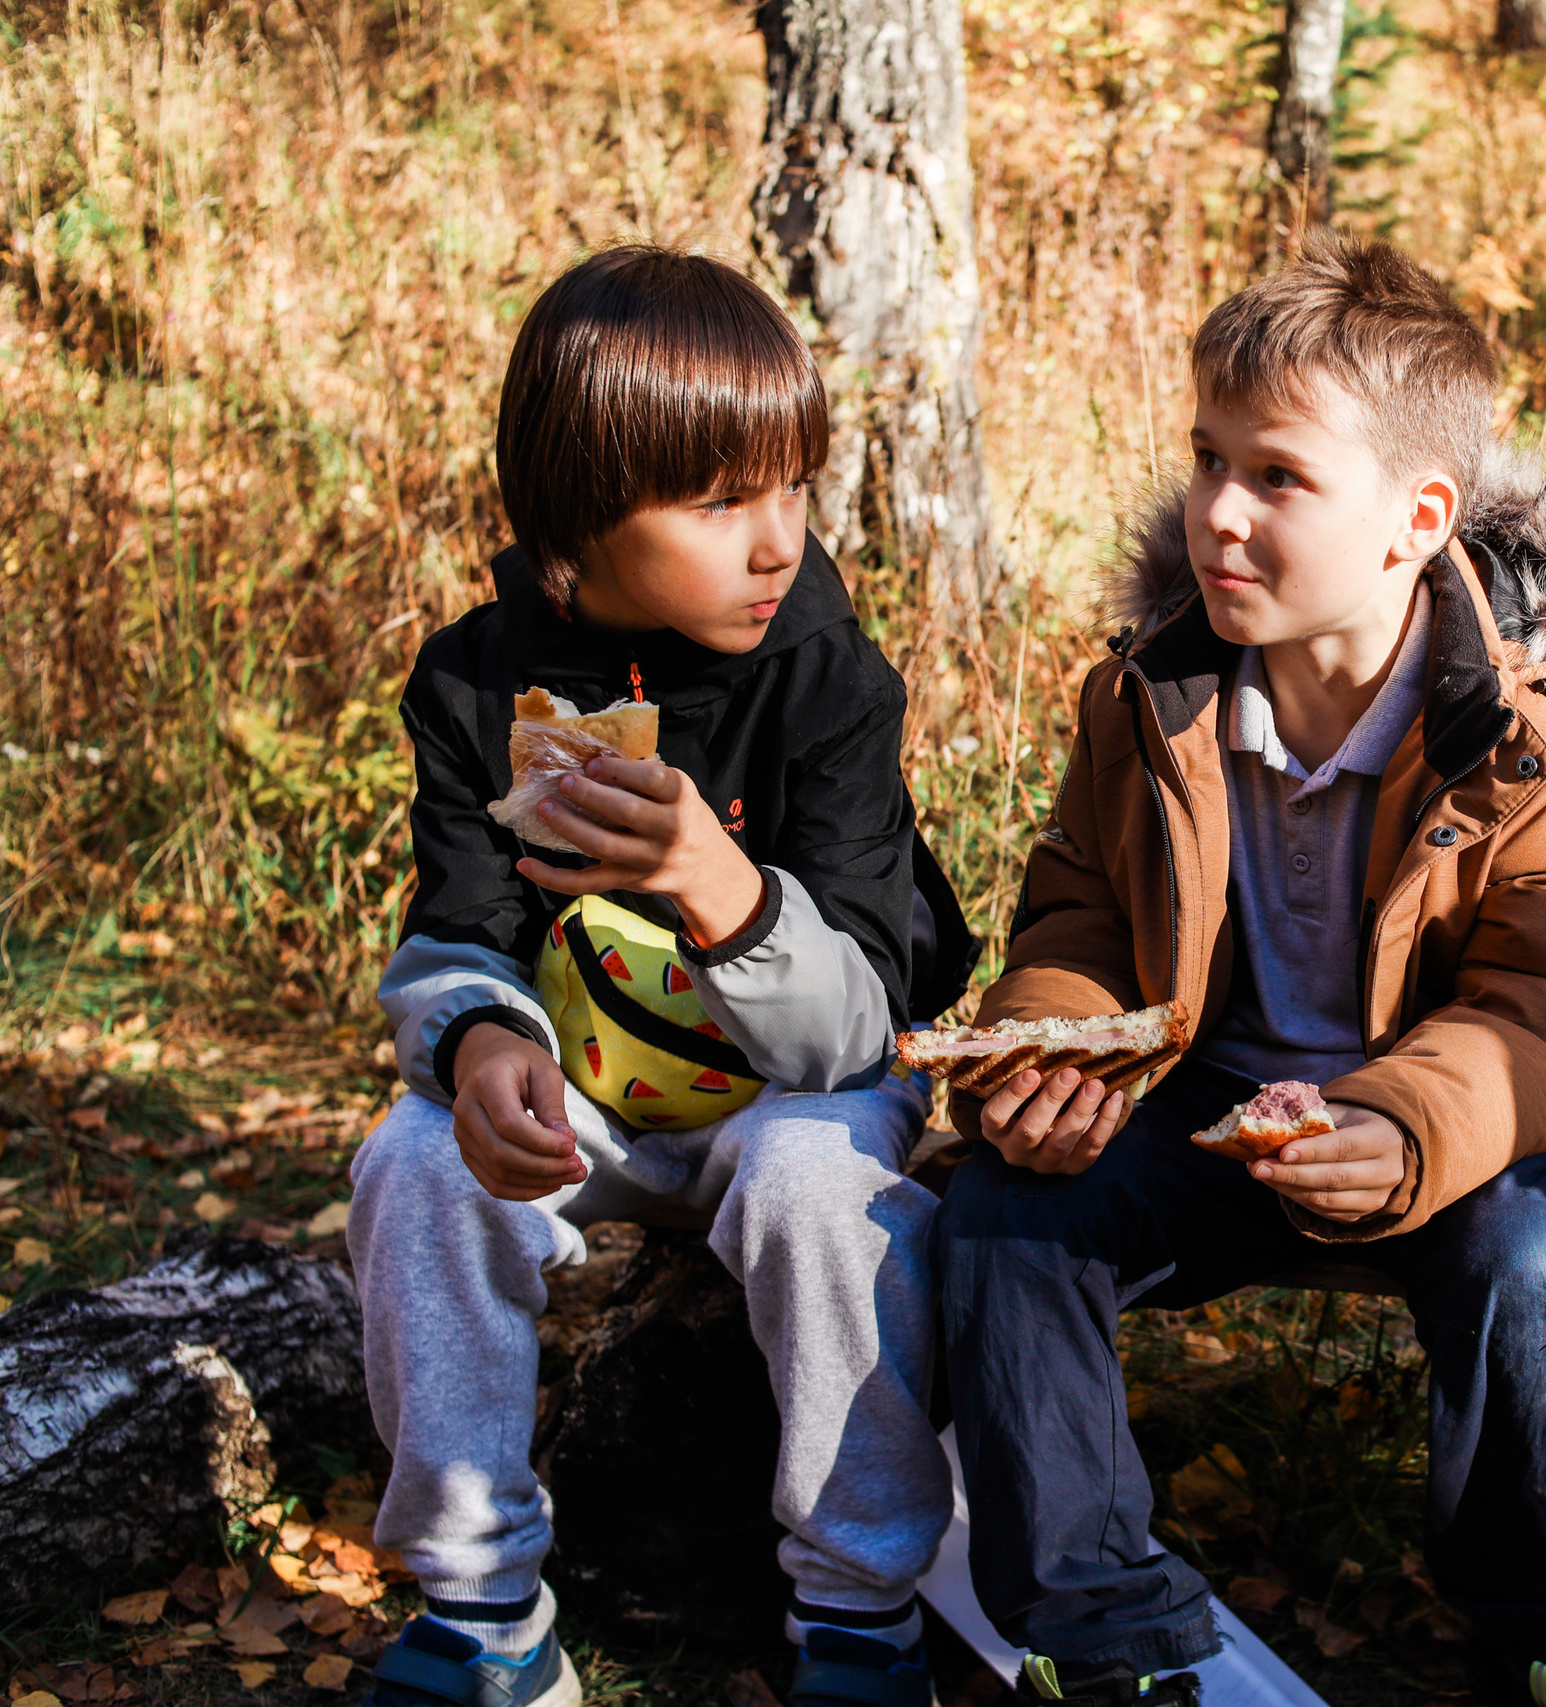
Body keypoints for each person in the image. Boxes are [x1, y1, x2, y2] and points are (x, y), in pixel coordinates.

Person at [933, 233, 1546, 1707]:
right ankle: (1110, 1639)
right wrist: (1052, 1046)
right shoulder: (1149, 695)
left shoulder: (1526, 737)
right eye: (1206, 459)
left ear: (1416, 518)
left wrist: (1407, 1125)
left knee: (1539, 1269)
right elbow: (1075, 921)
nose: (1220, 513)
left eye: (1280, 476)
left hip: (1454, 1132)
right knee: (1000, 1214)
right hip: (1211, 1106)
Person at [348, 246, 978, 1707]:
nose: (776, 543)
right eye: (715, 504)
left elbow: (858, 1034)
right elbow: (458, 932)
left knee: (830, 1179)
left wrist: (722, 888)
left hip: (793, 1097)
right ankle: (481, 1609)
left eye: (793, 488)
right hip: (591, 1107)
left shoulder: (827, 681)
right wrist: (479, 1042)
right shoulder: (478, 686)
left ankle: (858, 1607)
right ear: (576, 521)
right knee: (415, 1161)